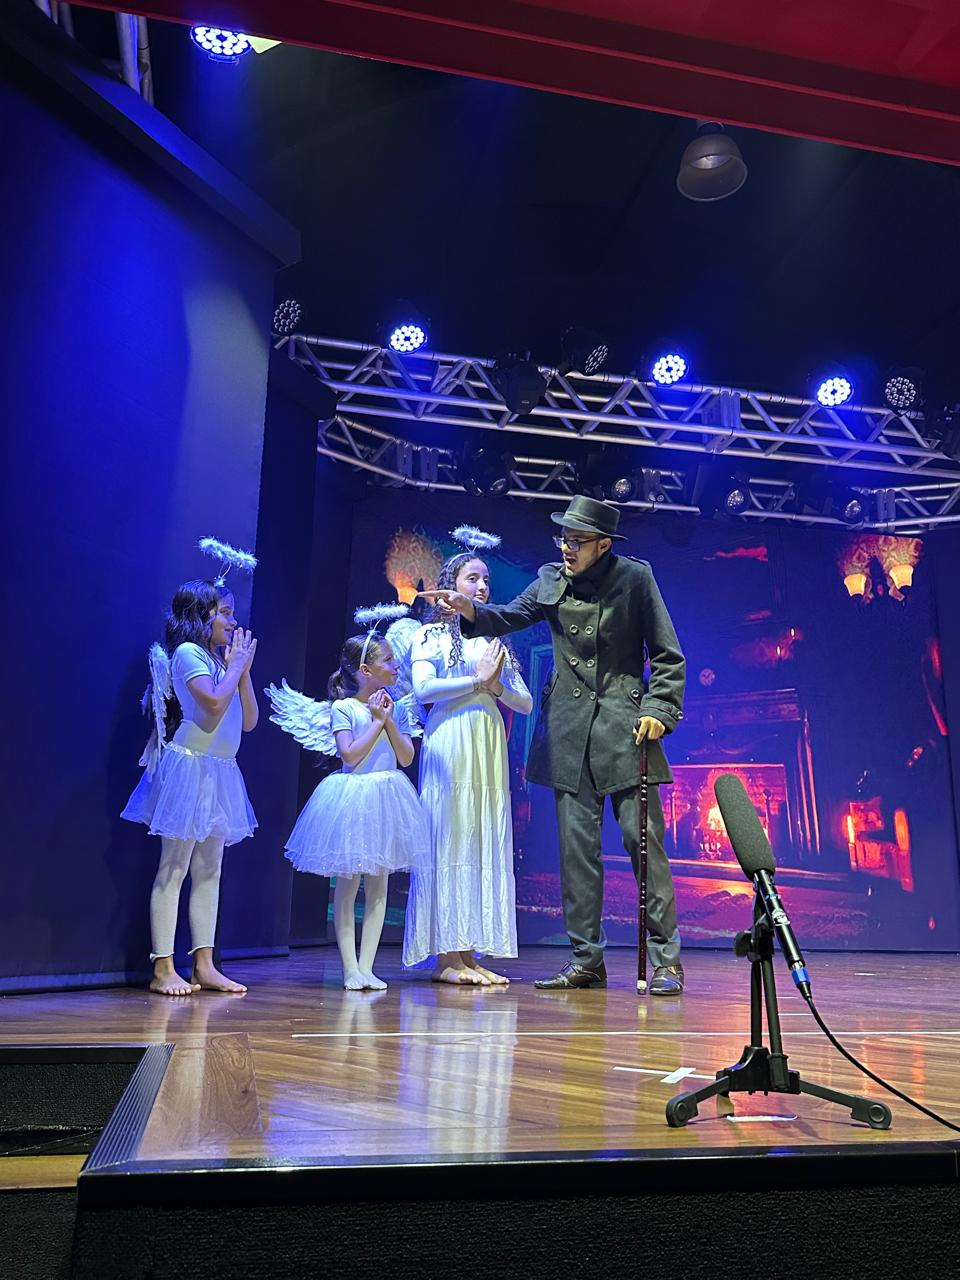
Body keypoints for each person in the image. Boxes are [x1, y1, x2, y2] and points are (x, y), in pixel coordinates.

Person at [423, 495, 686, 994]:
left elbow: (668, 654)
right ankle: (586, 960)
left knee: (644, 846)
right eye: (563, 539)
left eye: (578, 541)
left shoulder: (634, 578)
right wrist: (469, 608)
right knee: (576, 855)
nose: (567, 548)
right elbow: (507, 616)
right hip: (568, 732)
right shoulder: (550, 579)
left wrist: (659, 708)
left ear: (603, 544)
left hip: (626, 728)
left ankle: (666, 962)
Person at [267, 615, 429, 990]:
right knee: (348, 885)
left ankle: (368, 967)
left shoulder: (396, 707)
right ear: (365, 670)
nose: (396, 666)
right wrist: (376, 722)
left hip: (387, 798)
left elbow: (406, 757)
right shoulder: (344, 708)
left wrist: (389, 720)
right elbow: (350, 755)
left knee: (380, 886)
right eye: (388, 660)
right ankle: (350, 968)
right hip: (353, 799)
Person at [403, 528, 533, 985]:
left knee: (479, 836)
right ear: (449, 587)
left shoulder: (493, 639)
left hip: (486, 740)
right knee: (451, 835)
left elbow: (524, 702)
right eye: (472, 578)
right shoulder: (430, 636)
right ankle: (446, 958)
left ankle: (469, 953)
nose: (481, 587)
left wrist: (495, 686)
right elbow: (424, 690)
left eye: (485, 581)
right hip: (452, 738)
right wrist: (477, 682)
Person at [122, 579, 258, 997]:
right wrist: (235, 667)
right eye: (225, 613)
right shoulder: (187, 654)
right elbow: (212, 706)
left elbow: (249, 720)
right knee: (175, 866)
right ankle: (163, 968)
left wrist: (243, 672)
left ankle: (204, 965)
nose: (232, 622)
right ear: (201, 615)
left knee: (210, 869)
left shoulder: (221, 661)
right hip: (190, 766)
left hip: (220, 770)